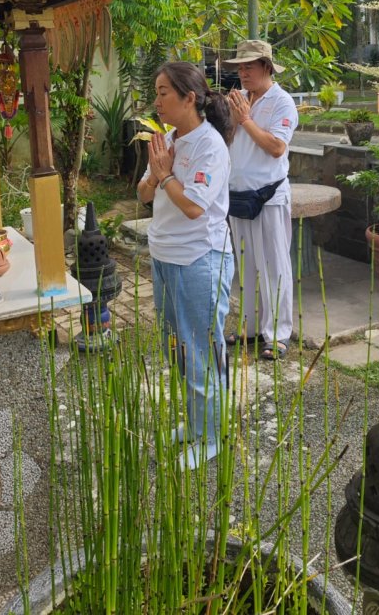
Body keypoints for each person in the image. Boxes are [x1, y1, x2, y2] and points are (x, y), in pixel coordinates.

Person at [137, 61, 234, 470]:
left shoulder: (211, 145)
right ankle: (198, 422)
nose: (156, 101)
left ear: (189, 97)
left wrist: (165, 175)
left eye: (163, 92)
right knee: (176, 347)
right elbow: (144, 194)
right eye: (156, 92)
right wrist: (157, 173)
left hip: (199, 258)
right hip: (164, 256)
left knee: (200, 350)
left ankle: (212, 434)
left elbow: (194, 206)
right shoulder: (169, 139)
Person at [223, 40, 298, 361]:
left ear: (266, 67)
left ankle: (279, 333)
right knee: (247, 265)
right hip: (238, 197)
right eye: (239, 67)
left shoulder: (282, 102)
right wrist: (231, 118)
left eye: (248, 66)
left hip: (268, 197)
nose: (242, 72)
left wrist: (245, 120)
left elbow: (276, 147)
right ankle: (252, 327)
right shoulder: (240, 100)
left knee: (274, 265)